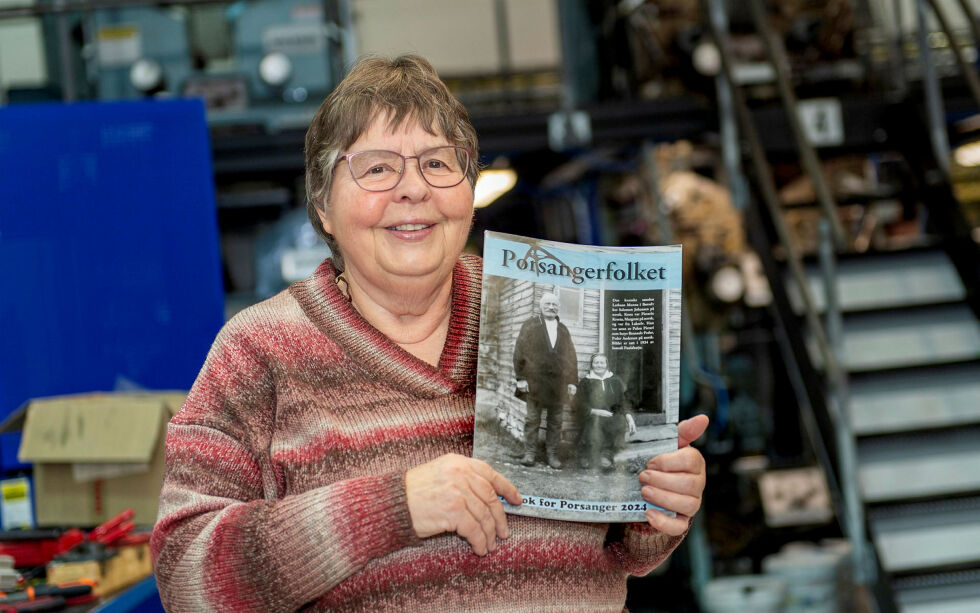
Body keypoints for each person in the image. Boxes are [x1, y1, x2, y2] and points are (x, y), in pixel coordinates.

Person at [150, 54, 708, 612]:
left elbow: (622, 552)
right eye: (375, 168)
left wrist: (657, 507)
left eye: (439, 164)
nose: (413, 189)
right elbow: (187, 580)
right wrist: (394, 507)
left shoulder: (542, 293)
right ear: (322, 206)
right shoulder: (260, 350)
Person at [513, 292, 579, 469]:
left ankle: (552, 455)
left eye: (554, 304)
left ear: (558, 308)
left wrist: (572, 381)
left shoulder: (563, 329)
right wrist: (520, 378)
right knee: (532, 419)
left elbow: (571, 356)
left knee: (556, 421)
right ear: (541, 306)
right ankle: (530, 454)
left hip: (558, 384)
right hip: (534, 382)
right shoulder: (530, 325)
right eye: (548, 304)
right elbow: (519, 351)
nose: (551, 307)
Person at [575, 353, 637, 471]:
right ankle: (589, 456)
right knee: (594, 426)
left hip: (611, 415)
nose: (599, 365)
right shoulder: (585, 382)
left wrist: (629, 417)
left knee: (619, 422)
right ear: (592, 365)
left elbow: (623, 400)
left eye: (602, 363)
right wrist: (595, 411)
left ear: (606, 365)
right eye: (596, 362)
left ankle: (611, 456)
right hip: (592, 416)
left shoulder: (615, 380)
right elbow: (579, 403)